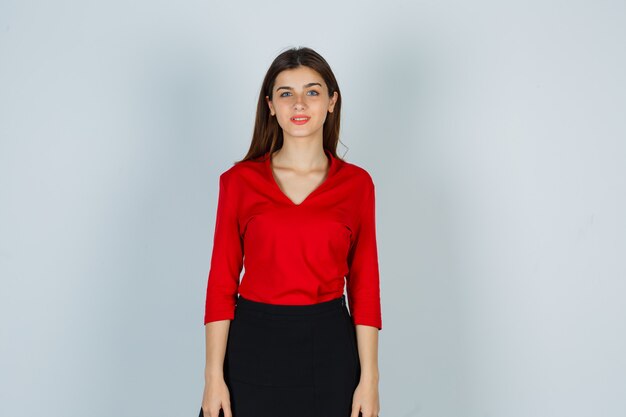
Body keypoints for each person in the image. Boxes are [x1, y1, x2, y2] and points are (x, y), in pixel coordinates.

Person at [200, 46, 382, 417]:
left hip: (329, 350)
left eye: (312, 92)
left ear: (332, 101)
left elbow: (365, 288)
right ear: (270, 105)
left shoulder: (357, 185)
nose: (299, 104)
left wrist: (370, 380)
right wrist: (213, 377)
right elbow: (221, 284)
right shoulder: (237, 182)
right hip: (252, 347)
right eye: (286, 94)